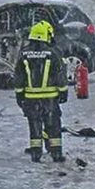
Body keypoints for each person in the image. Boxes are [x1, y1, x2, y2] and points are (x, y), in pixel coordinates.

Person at [14, 21, 69, 163]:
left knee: (34, 125)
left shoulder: (24, 53)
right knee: (53, 125)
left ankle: (36, 153)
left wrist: (19, 94)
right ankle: (56, 153)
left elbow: (19, 76)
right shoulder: (53, 53)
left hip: (30, 98)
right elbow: (60, 74)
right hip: (50, 98)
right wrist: (63, 92)